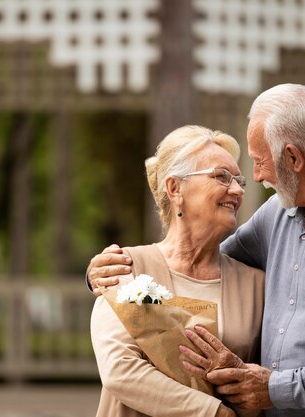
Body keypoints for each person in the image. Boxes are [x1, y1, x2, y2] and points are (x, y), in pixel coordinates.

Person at [87, 84, 305, 416]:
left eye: (258, 163)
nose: (256, 177)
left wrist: (275, 389)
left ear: (293, 157)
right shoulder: (277, 215)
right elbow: (198, 260)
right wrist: (105, 276)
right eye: (224, 176)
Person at [90, 125, 265, 417]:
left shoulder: (256, 285)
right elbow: (119, 370)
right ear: (175, 188)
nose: (236, 190)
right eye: (222, 176)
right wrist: (213, 413)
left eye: (239, 181)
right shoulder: (124, 268)